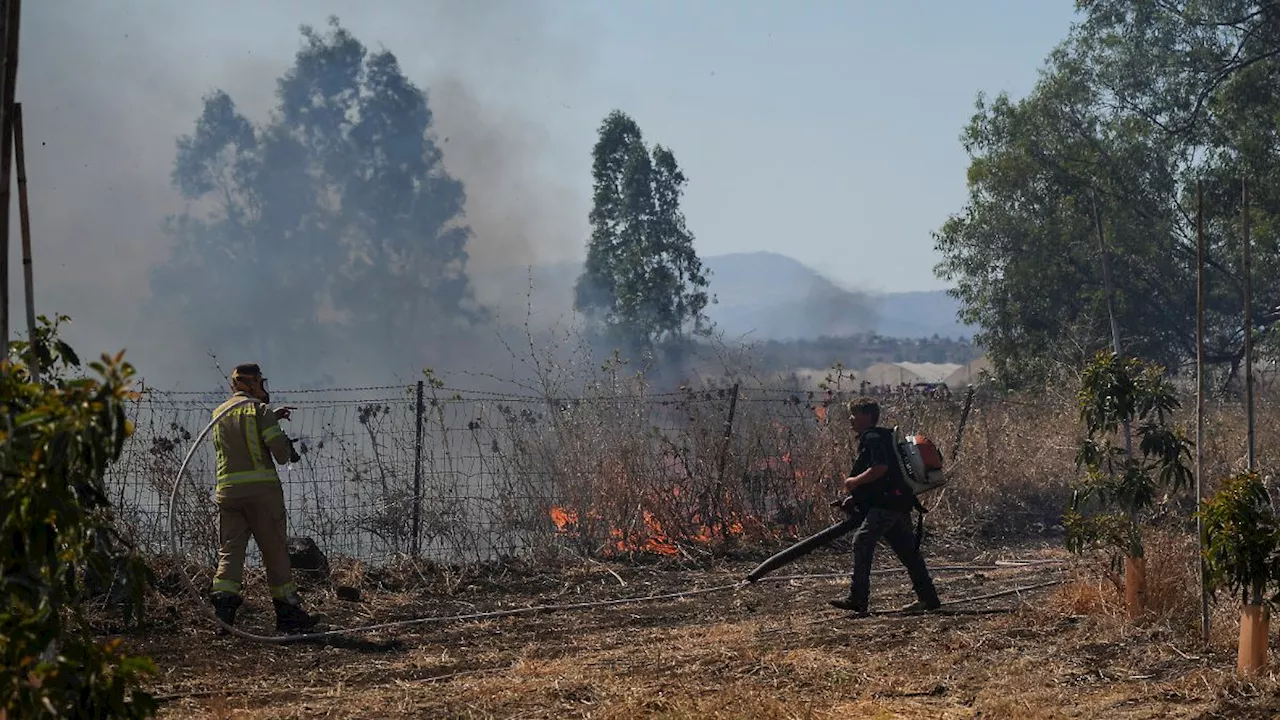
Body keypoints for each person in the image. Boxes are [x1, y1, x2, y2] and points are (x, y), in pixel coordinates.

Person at [207, 363, 321, 634]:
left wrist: (271, 418)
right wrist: (280, 436)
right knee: (275, 551)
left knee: (230, 552)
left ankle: (224, 617)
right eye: (260, 383)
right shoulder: (260, 411)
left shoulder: (219, 413)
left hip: (228, 494)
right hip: (261, 494)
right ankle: (289, 615)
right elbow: (280, 454)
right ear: (253, 383)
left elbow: (239, 440)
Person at [829, 397, 941, 615]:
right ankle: (928, 598)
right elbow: (884, 478)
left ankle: (858, 597)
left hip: (888, 504)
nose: (851, 419)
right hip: (897, 501)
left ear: (867, 416)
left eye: (855, 414)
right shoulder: (882, 437)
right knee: (908, 551)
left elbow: (880, 468)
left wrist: (853, 483)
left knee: (862, 540)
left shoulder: (871, 437)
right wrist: (856, 499)